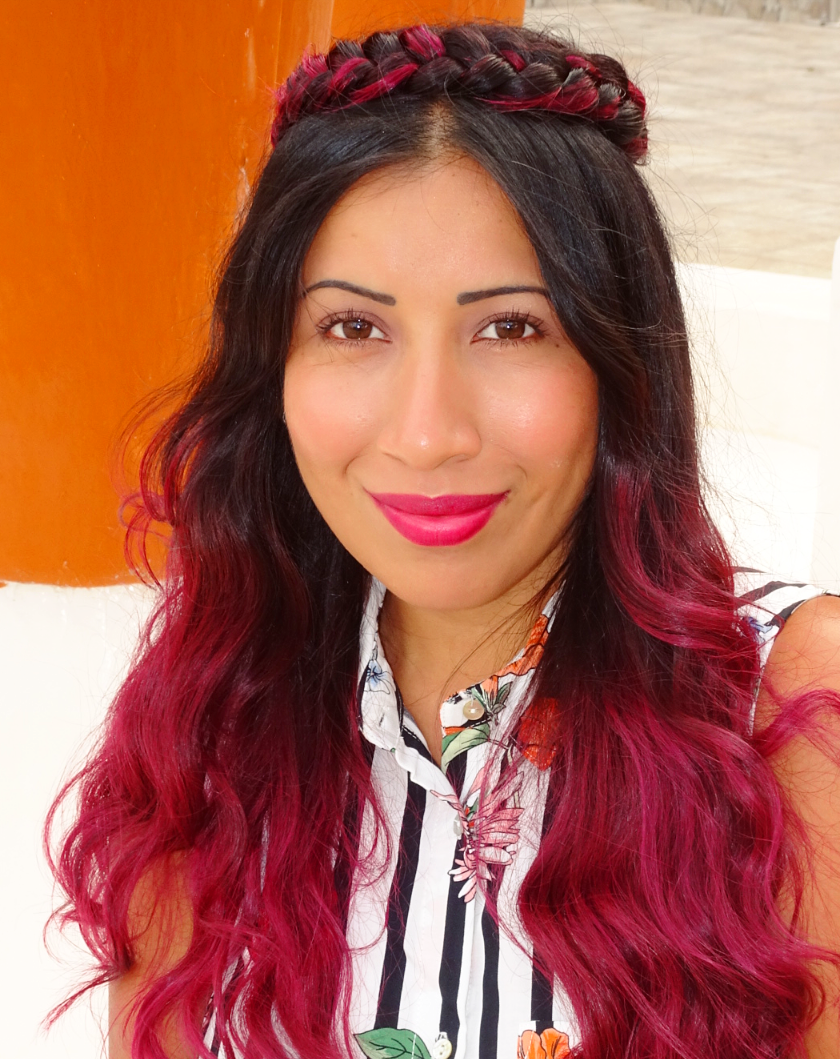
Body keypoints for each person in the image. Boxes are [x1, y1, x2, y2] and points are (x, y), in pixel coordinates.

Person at [46, 20, 840, 1059]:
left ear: (618, 363)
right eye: (352, 327)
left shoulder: (788, 710)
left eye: (511, 328)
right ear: (272, 367)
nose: (427, 435)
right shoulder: (209, 719)